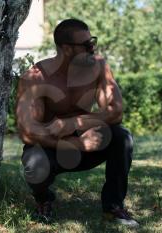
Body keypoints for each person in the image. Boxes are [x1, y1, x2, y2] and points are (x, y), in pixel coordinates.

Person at [15, 18, 138, 227]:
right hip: (50, 147)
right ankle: (43, 200)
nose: (93, 48)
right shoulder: (35, 77)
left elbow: (116, 111)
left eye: (93, 41)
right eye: (87, 45)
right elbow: (27, 132)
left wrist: (75, 122)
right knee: (34, 164)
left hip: (88, 143)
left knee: (122, 137)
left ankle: (113, 207)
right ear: (67, 48)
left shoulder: (98, 66)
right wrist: (76, 144)